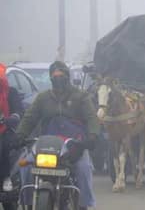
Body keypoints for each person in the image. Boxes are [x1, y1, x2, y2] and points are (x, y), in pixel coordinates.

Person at [16, 61, 100, 210]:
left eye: (61, 76)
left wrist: (92, 137)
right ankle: (28, 203)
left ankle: (84, 204)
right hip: (46, 144)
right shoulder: (43, 97)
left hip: (74, 145)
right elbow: (29, 118)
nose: (58, 79)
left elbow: (92, 118)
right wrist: (19, 136)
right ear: (51, 79)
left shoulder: (81, 96)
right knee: (25, 165)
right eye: (55, 77)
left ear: (67, 77)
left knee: (83, 168)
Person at [0, 63, 24, 208]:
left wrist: (11, 119)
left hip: (5, 130)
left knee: (4, 146)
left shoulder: (11, 93)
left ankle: (6, 179)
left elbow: (18, 111)